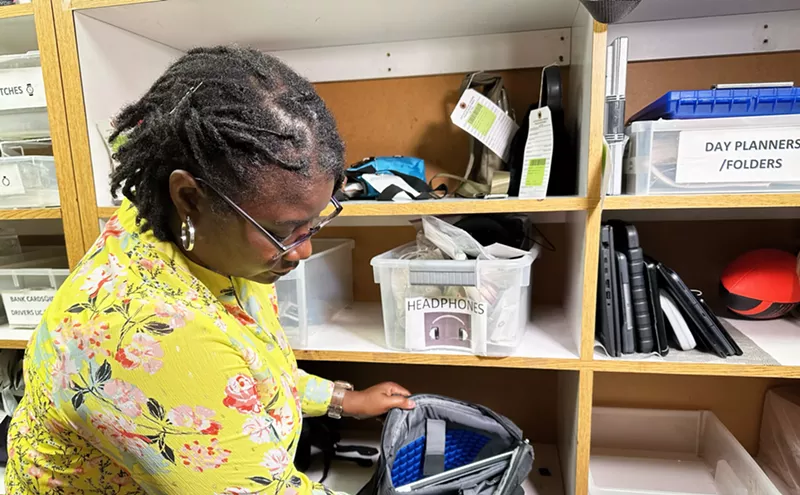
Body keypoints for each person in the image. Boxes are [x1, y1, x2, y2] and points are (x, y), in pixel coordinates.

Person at [6, 46, 414, 495]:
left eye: (315, 222)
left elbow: (250, 372)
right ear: (190, 197)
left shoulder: (194, 236)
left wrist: (342, 400)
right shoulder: (147, 332)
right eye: (285, 230)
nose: (303, 250)